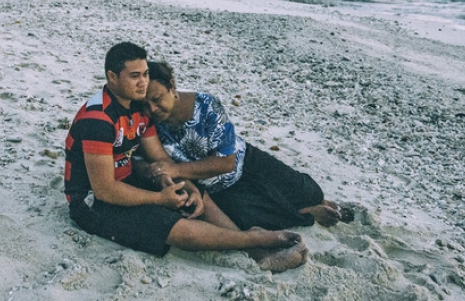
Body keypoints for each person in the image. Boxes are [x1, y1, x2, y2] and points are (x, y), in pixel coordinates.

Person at [64, 42, 308, 272]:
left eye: (145, 74)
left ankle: (254, 250)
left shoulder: (138, 108)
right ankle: (256, 239)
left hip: (125, 181)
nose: (143, 82)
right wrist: (159, 199)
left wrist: (187, 186)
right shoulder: (97, 119)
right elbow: (104, 190)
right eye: (135, 76)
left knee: (194, 192)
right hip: (91, 201)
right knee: (174, 228)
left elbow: (161, 159)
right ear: (112, 77)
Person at [142, 60, 355, 231]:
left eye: (157, 99)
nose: (152, 109)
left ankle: (319, 202)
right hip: (216, 189)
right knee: (250, 220)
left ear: (171, 86)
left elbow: (226, 162)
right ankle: (309, 212)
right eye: (145, 104)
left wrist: (176, 169)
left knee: (308, 191)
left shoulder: (206, 105)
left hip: (246, 161)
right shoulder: (147, 123)